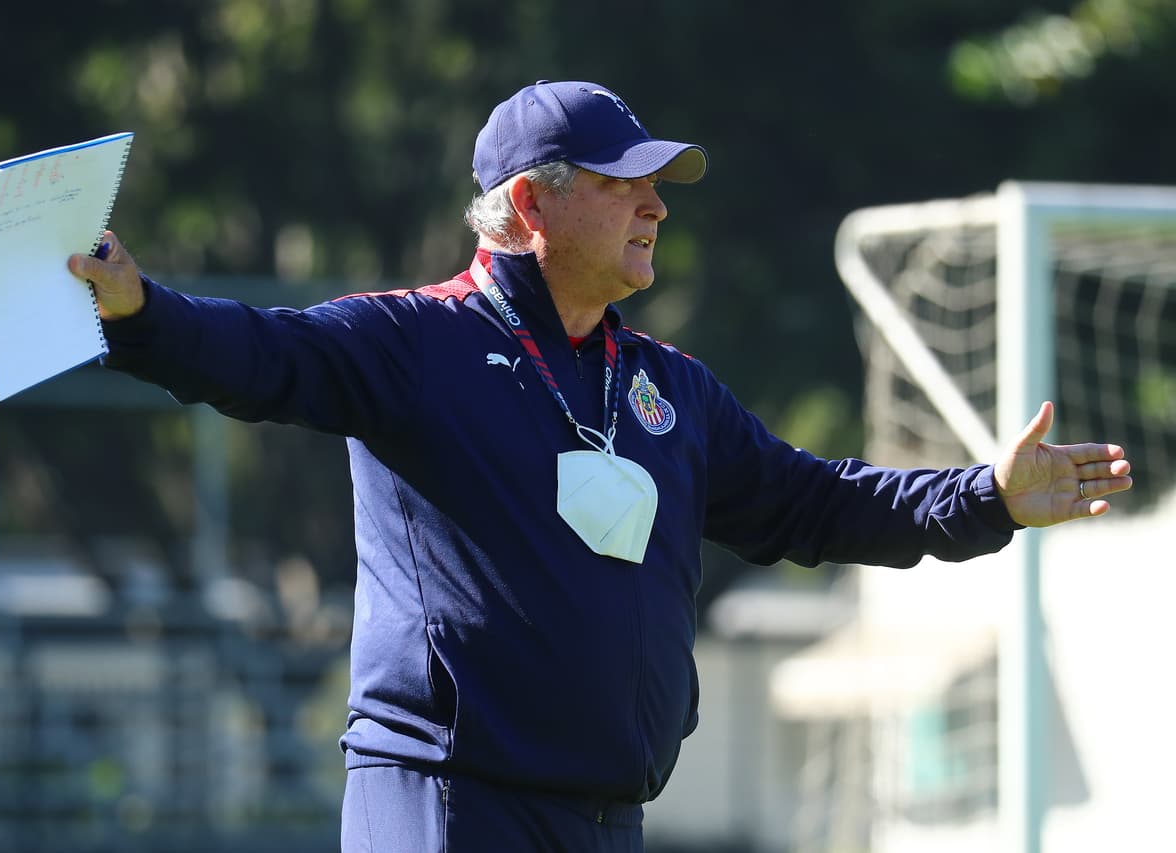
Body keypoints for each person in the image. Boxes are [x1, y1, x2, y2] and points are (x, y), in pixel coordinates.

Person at [69, 80, 1132, 852]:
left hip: (604, 819)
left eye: (658, 186)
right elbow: (257, 355)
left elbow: (812, 504)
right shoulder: (413, 341)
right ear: (532, 205)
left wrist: (984, 498)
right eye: (628, 185)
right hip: (445, 804)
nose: (657, 206)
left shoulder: (665, 385)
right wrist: (142, 311)